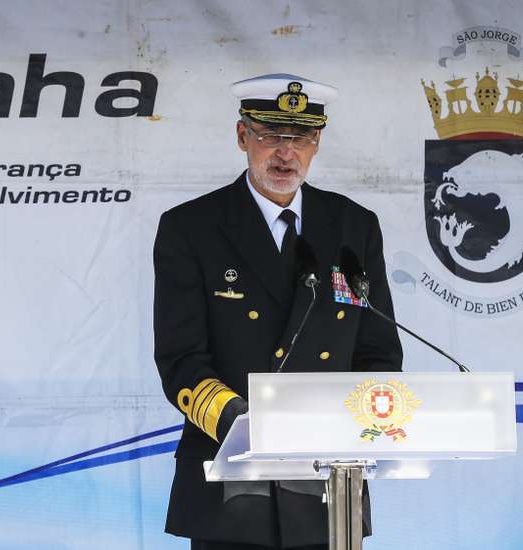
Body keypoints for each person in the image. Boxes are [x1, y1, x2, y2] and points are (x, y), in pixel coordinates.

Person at [152, 74, 403, 549]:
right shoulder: (191, 228)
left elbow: (379, 349)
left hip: (330, 483)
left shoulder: (354, 226)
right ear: (242, 136)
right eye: (270, 136)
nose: (286, 153)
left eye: (301, 138)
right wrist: (244, 423)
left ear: (317, 142)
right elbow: (181, 358)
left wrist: (363, 419)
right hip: (228, 480)